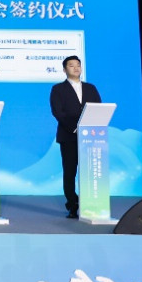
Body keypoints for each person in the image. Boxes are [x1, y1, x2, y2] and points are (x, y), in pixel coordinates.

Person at [49, 55, 101, 219]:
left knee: (90, 171)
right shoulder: (58, 89)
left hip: (91, 138)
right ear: (64, 70)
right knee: (70, 172)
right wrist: (75, 128)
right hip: (69, 136)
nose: (76, 67)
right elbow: (58, 112)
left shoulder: (91, 88)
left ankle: (91, 204)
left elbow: (98, 108)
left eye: (78, 64)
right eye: (71, 65)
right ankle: (73, 204)